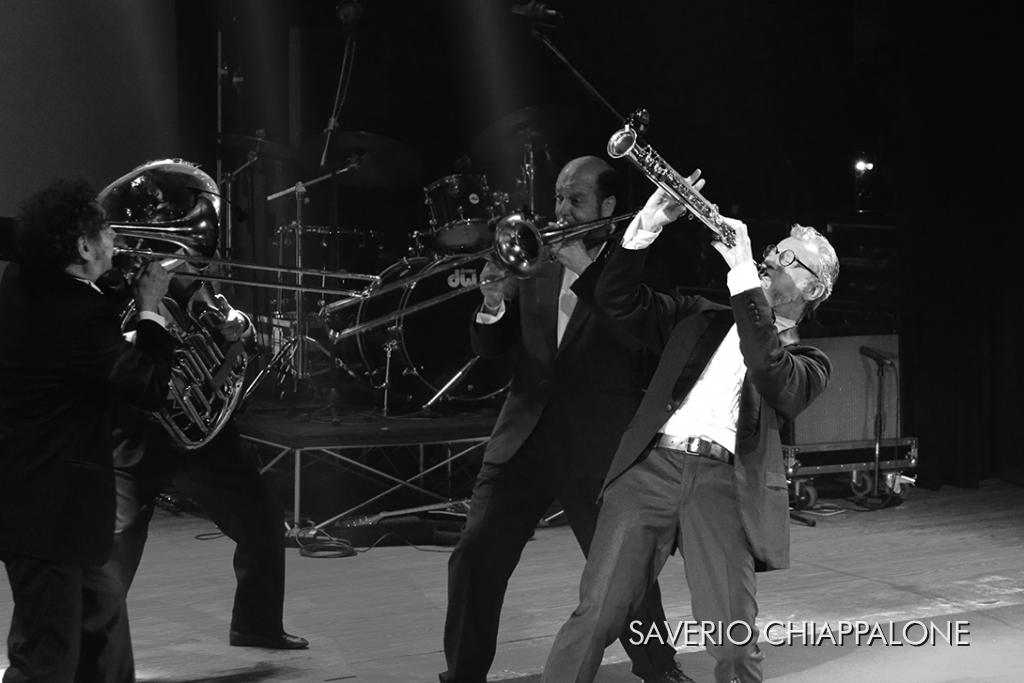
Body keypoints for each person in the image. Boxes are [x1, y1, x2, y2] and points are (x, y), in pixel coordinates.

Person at [541, 187, 840, 683]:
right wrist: (645, 229)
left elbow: (768, 368)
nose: (770, 258)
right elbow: (615, 300)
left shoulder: (809, 362)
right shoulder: (699, 315)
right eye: (773, 250)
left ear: (812, 290)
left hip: (723, 487)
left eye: (789, 259)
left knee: (734, 643)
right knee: (595, 615)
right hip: (650, 470)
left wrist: (743, 274)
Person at [439, 156, 693, 683]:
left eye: (575, 200)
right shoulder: (534, 257)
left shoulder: (634, 262)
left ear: (606, 206)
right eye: (557, 197)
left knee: (624, 570)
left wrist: (585, 268)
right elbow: (491, 348)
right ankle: (462, 676)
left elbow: (642, 340)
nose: (561, 210)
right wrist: (493, 304)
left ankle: (659, 669)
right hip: (523, 438)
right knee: (475, 555)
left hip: (596, 445)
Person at [0, 179, 175, 682]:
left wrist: (113, 285)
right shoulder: (80, 314)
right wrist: (150, 307)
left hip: (49, 504)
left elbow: (79, 337)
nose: (117, 238)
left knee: (103, 625)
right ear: (82, 247)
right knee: (46, 659)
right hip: (50, 512)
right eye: (107, 232)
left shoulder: (22, 282)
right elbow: (149, 386)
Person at [90, 270, 310, 656]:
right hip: (140, 430)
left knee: (262, 515)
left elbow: (225, 319)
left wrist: (238, 324)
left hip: (201, 425)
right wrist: (145, 310)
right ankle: (90, 648)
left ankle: (257, 627)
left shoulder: (175, 277)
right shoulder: (101, 287)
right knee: (119, 541)